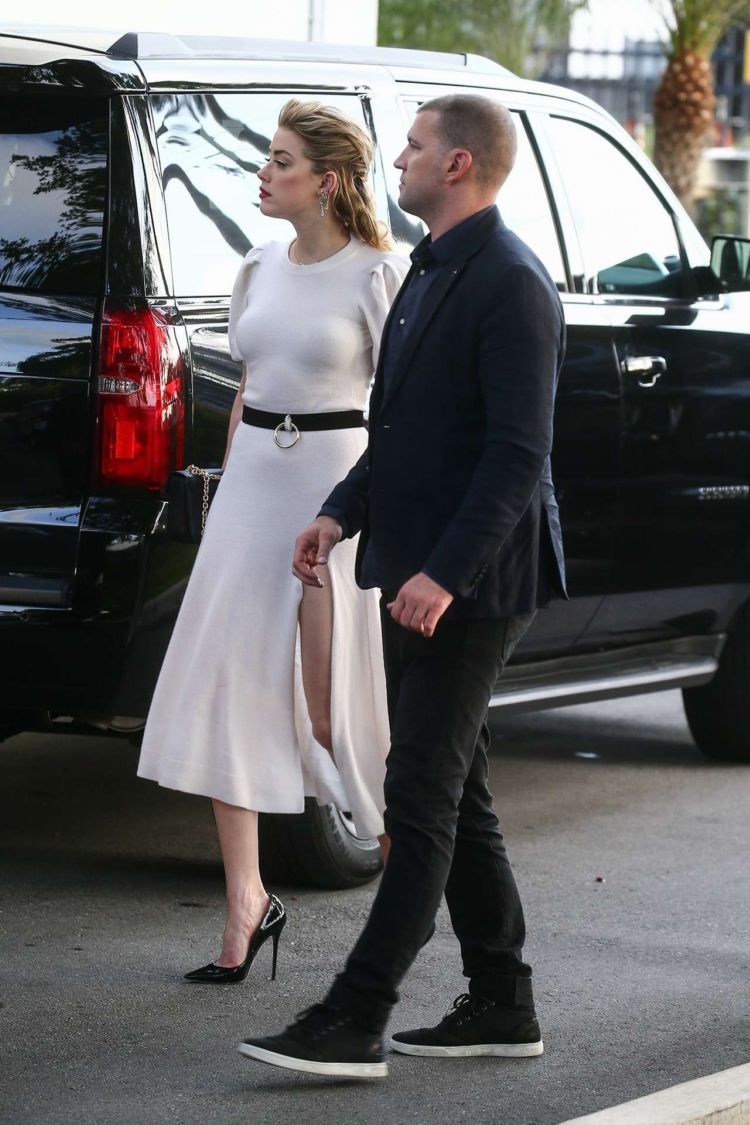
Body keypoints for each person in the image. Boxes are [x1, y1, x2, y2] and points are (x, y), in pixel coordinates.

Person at [238, 93, 567, 1078]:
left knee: (417, 788)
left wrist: (444, 576)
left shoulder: (510, 283)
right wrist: (340, 510)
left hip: (476, 581)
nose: (403, 159)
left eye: (417, 146)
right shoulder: (429, 270)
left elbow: (518, 457)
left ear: (458, 165)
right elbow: (404, 432)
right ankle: (502, 999)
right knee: (456, 788)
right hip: (419, 565)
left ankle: (357, 1014)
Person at [137, 99, 408, 984]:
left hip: (333, 486)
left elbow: (401, 409)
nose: (263, 172)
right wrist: (226, 493)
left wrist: (371, 511)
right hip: (253, 483)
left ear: (325, 180)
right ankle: (245, 903)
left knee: (336, 703)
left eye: (281, 160)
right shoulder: (256, 265)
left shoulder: (378, 272)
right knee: (230, 686)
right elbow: (249, 388)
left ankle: (410, 862)